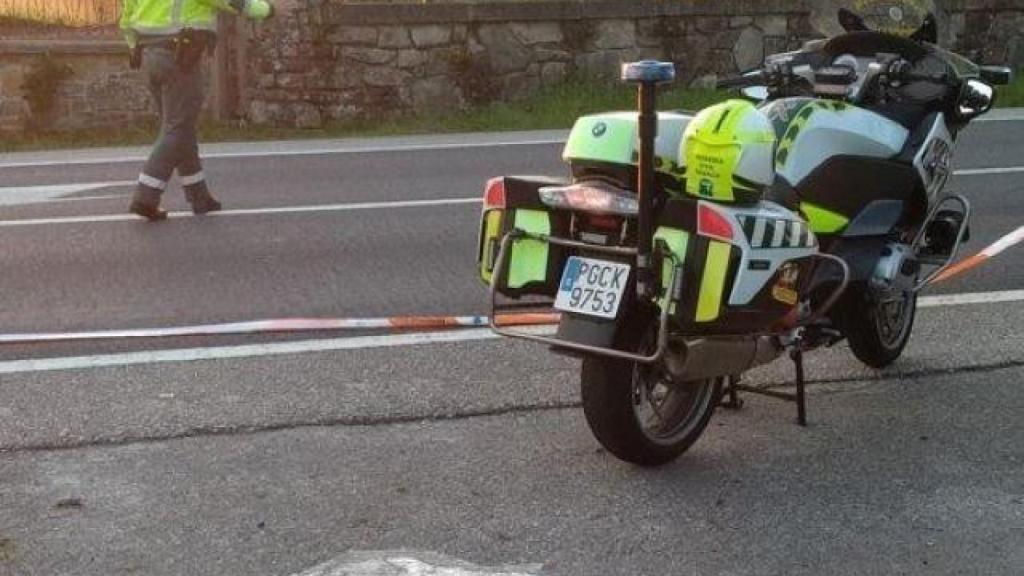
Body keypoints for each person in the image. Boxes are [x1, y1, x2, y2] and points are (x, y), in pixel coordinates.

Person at [120, 0, 275, 221]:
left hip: (148, 52)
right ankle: (146, 197)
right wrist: (267, 9)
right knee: (177, 128)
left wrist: (133, 45)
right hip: (180, 52)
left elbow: (127, 11)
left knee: (180, 129)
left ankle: (199, 196)